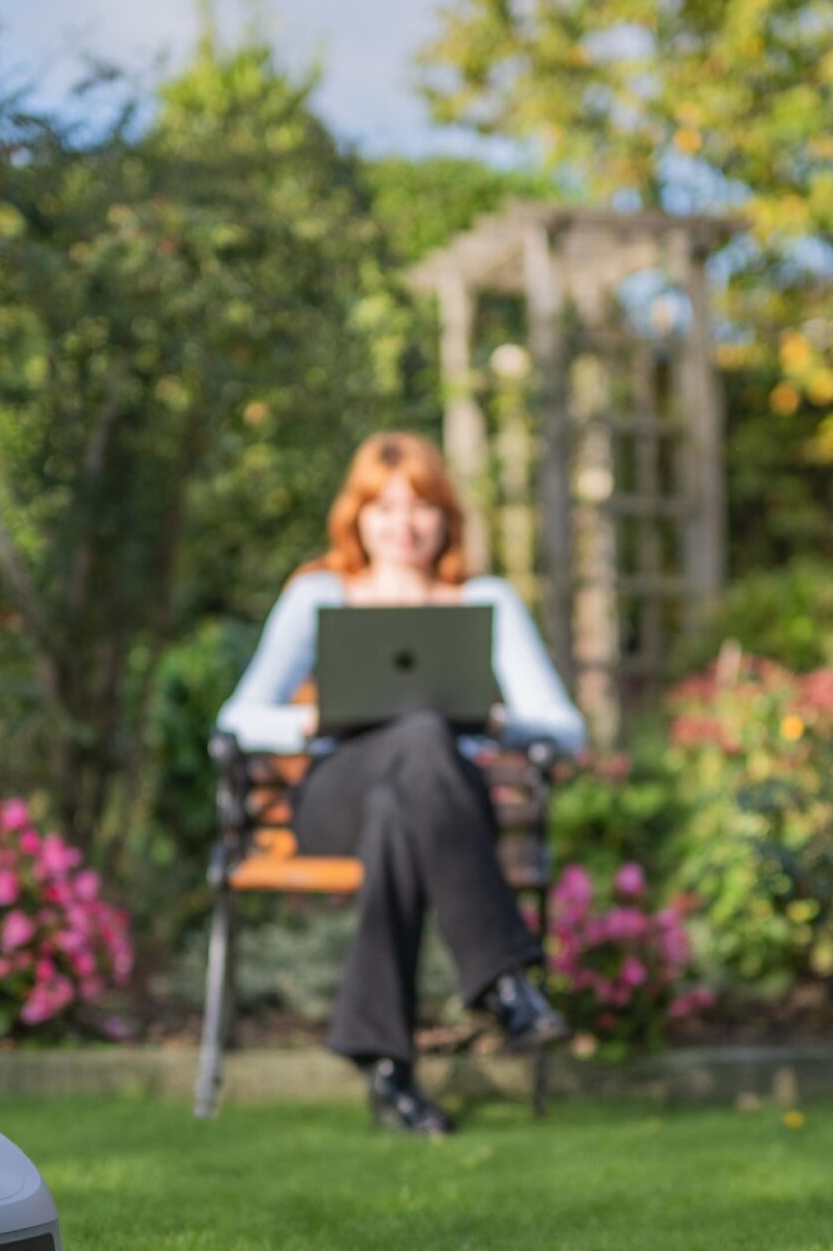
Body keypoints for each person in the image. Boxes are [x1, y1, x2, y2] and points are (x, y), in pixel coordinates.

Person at [217, 432, 586, 1135]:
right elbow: (237, 719)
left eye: (420, 506)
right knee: (417, 734)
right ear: (356, 517)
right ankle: (503, 980)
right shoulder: (318, 596)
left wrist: (494, 720)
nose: (403, 524)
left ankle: (388, 1067)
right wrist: (314, 720)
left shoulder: (485, 601)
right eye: (384, 507)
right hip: (337, 796)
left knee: (408, 787)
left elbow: (566, 729)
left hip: (440, 803)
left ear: (446, 517)